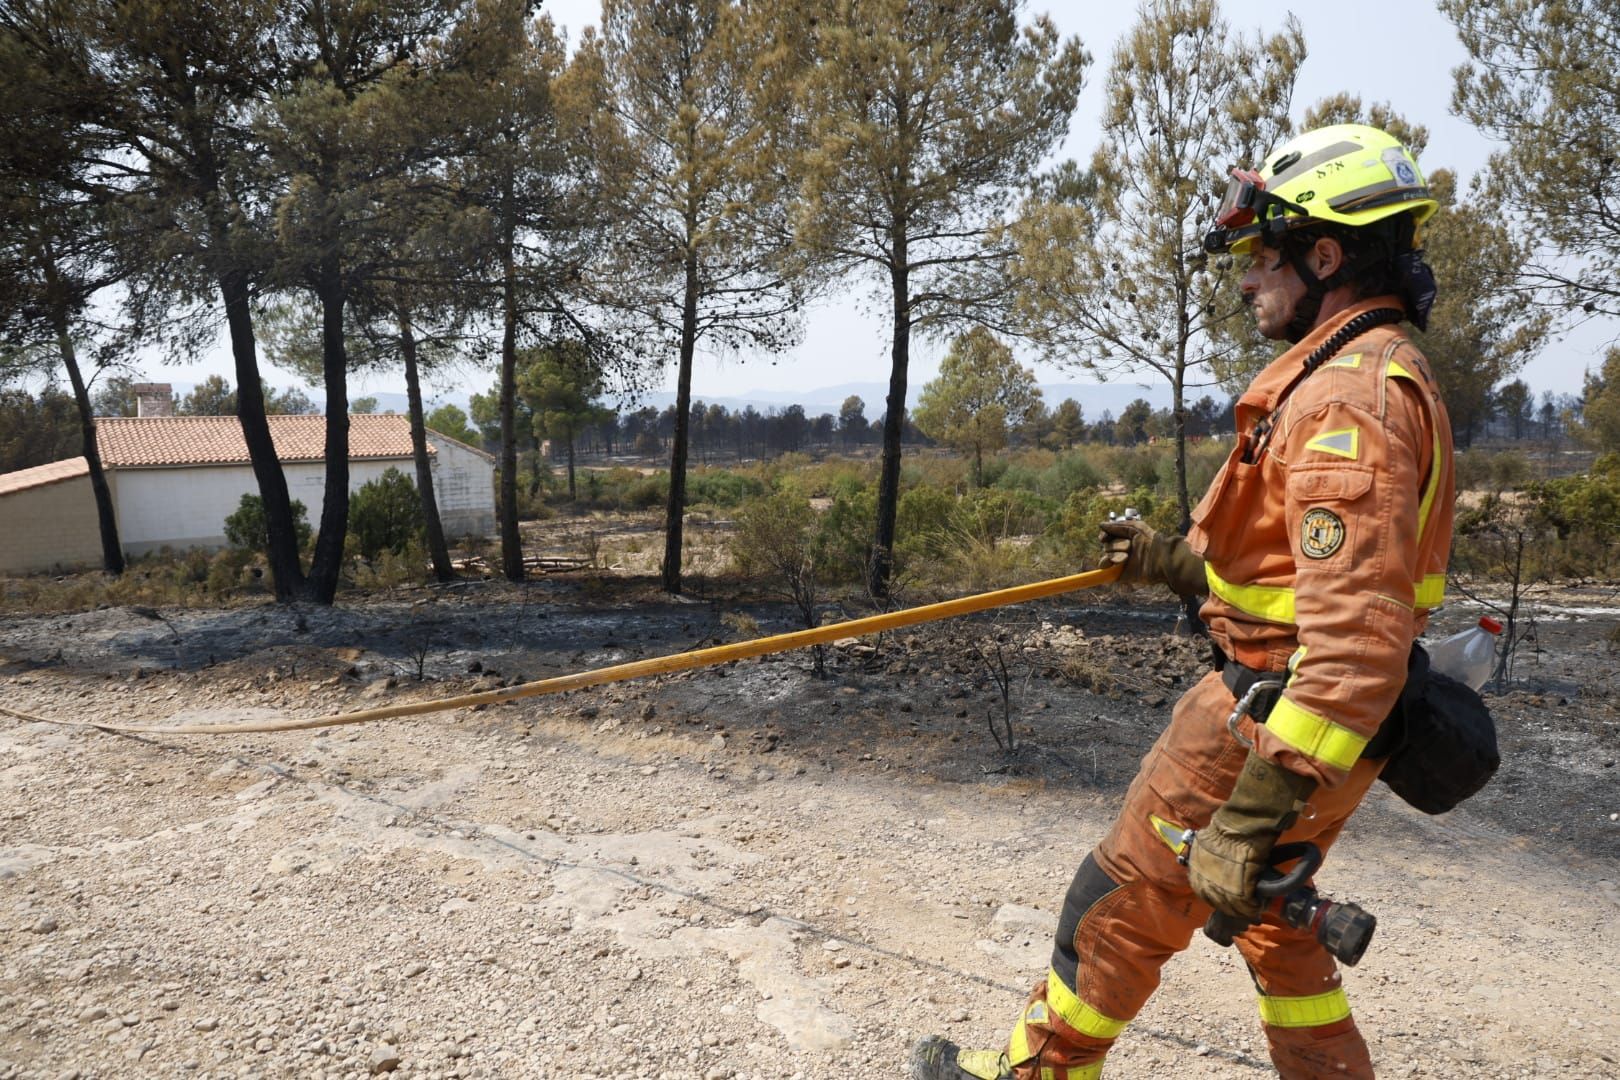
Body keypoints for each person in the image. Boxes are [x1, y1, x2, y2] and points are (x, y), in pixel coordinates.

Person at [911, 123, 1455, 1080]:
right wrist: (1176, 564)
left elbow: (1354, 648)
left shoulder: (1344, 407)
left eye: (1262, 254)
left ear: (1325, 256)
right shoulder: (1365, 378)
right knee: (1273, 924)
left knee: (1121, 899)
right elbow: (1296, 583)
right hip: (1311, 728)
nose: (1246, 278)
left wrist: (1244, 819)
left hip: (1268, 722)